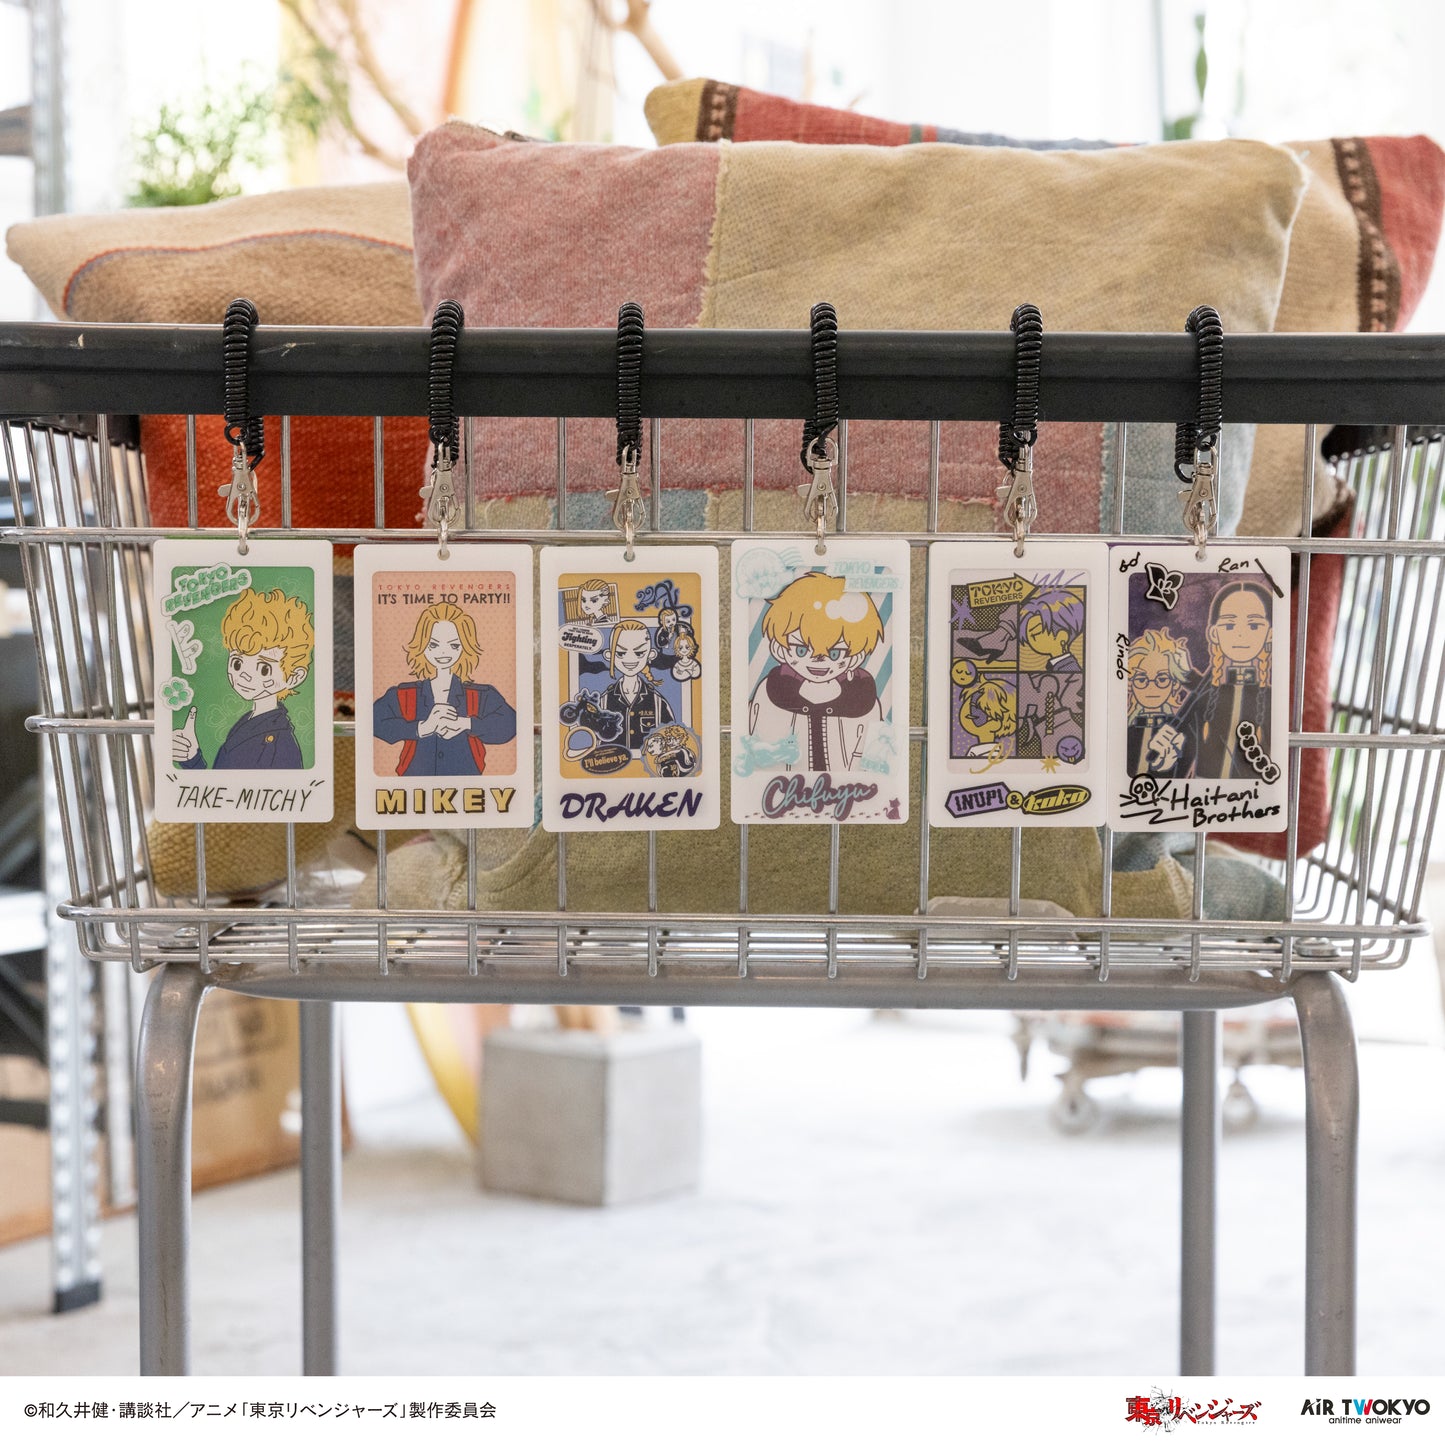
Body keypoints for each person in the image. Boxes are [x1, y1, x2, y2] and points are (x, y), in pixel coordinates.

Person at [748, 571, 885, 773]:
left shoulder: (864, 699)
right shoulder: (770, 692)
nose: (818, 660)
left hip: (849, 789)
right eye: (801, 650)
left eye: (835, 653)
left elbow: (875, 758)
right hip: (781, 788)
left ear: (856, 657)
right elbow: (755, 745)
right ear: (779, 649)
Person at [174, 587, 312, 770]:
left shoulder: (278, 742)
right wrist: (192, 758)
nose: (245, 675)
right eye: (237, 663)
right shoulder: (249, 722)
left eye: (264, 669)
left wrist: (193, 763)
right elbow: (222, 783)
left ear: (294, 677)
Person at [373, 602, 516, 776]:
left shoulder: (480, 695)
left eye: (453, 645)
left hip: (468, 783)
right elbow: (374, 721)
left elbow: (510, 724)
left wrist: (464, 724)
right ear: (422, 645)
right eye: (433, 645)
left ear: (465, 647)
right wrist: (422, 728)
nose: (443, 653)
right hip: (414, 783)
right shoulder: (405, 694)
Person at [1196, 580, 1273, 778]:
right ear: (1214, 633)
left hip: (1253, 794)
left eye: (1253, 625)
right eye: (1229, 625)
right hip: (1198, 792)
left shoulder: (1271, 699)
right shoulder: (1208, 693)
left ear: (1270, 634)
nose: (1240, 634)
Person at [1125, 627, 1195, 776]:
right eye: (1141, 680)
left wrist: (1166, 768)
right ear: (1130, 683)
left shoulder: (1179, 733)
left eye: (1162, 679)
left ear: (1175, 684)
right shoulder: (1125, 732)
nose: (1151, 687)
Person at [599, 618, 675, 754]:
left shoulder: (657, 702)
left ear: (650, 654)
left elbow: (671, 742)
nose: (630, 659)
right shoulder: (603, 702)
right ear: (609, 655)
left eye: (639, 653)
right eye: (620, 653)